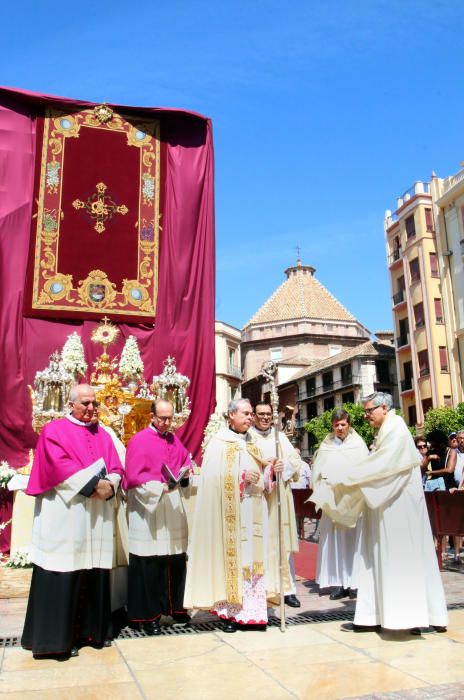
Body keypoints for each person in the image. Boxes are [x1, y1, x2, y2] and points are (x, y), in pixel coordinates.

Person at [311, 392, 448, 633]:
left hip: (398, 508)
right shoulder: (387, 430)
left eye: (369, 411)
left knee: (400, 560)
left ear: (384, 407)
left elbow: (381, 465)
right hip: (386, 505)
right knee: (376, 559)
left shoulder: (396, 430)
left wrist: (345, 477)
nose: (366, 416)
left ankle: (407, 617)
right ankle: (376, 614)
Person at [22, 384, 124, 659]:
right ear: (71, 404)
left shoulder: (103, 434)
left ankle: (91, 633)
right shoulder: (53, 430)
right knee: (64, 571)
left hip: (94, 517)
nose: (92, 409)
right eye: (85, 403)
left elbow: (115, 466)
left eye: (95, 403)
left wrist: (111, 485)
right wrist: (94, 486)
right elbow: (58, 465)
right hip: (66, 516)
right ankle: (57, 641)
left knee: (91, 571)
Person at [184, 398, 284, 632]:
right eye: (246, 414)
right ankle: (231, 614)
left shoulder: (254, 443)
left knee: (253, 562)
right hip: (231, 516)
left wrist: (271, 472)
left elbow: (265, 480)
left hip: (255, 512)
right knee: (235, 562)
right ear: (231, 415)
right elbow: (212, 478)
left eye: (251, 414)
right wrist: (240, 478)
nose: (251, 418)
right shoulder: (219, 443)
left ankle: (254, 614)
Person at [124, 399, 191, 635]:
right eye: (162, 418)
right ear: (152, 416)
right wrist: (158, 488)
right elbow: (132, 479)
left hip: (170, 509)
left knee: (173, 560)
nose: (166, 423)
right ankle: (147, 615)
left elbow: (185, 463)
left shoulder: (174, 439)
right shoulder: (138, 441)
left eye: (170, 418)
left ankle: (174, 608)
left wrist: (185, 476)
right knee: (149, 563)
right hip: (148, 510)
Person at [312, 408, 369, 600]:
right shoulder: (326, 445)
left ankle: (355, 582)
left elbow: (364, 469)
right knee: (336, 542)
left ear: (349, 424)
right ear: (332, 426)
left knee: (354, 541)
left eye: (343, 424)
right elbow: (317, 472)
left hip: (353, 501)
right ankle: (338, 583)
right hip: (333, 501)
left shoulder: (358, 444)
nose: (340, 428)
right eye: (336, 425)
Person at [250, 402, 301, 608]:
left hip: (279, 498)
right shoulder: (248, 438)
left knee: (282, 543)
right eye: (261, 414)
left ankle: (287, 589)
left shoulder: (280, 437)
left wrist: (284, 466)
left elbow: (295, 461)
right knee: (260, 544)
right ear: (253, 416)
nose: (265, 417)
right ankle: (261, 588)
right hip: (259, 499)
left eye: (268, 414)